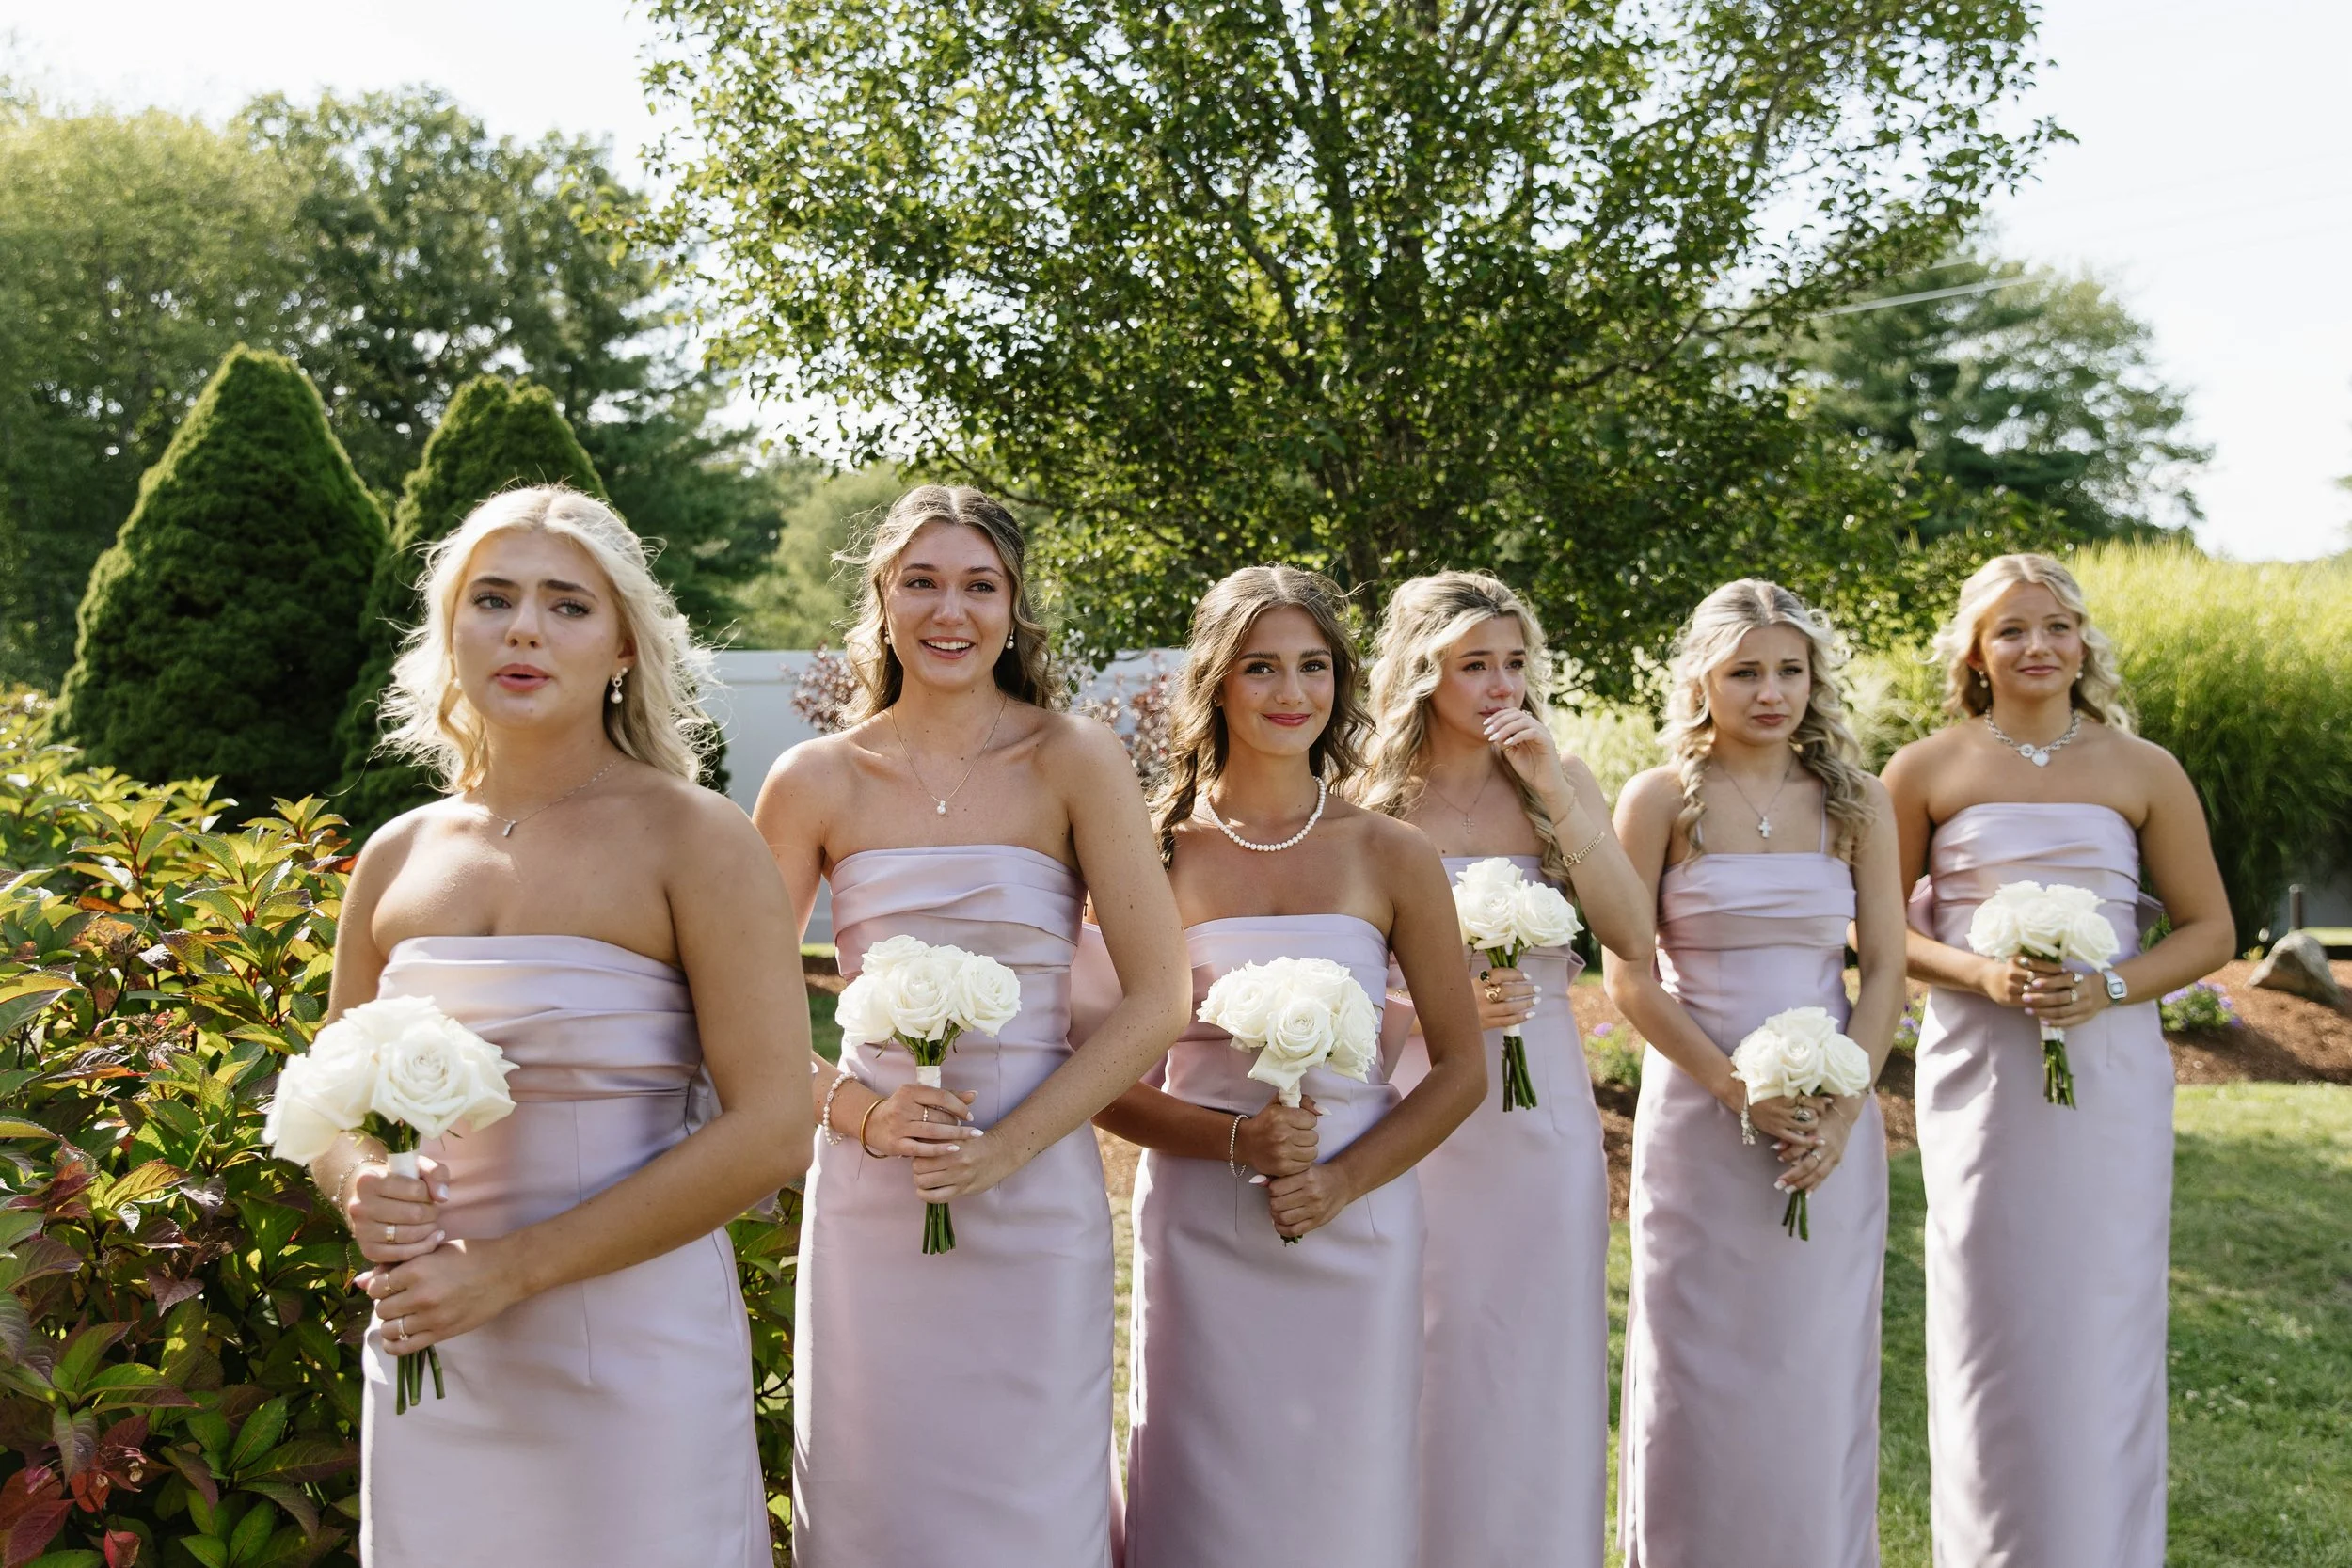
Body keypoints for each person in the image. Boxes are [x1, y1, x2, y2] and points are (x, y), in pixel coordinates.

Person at [314, 485, 814, 1567]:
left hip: (630, 1349)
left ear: (625, 640)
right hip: (429, 1341)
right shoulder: (397, 854)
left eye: (566, 604)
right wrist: (358, 1181)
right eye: (492, 599)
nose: (525, 627)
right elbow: (324, 1096)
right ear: (452, 632)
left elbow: (775, 1125)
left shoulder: (697, 838)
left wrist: (511, 1269)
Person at [755, 485, 1189, 1568]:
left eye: (978, 585)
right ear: (882, 599)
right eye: (922, 581)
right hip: (872, 1197)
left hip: (1035, 1185)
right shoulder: (814, 778)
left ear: (1013, 607)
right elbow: (741, 1010)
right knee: (873, 1488)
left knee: (1029, 1493)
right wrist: (859, 1115)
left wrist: (1006, 1145)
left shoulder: (1074, 758)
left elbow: (1157, 998)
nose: (950, 610)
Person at [1103, 565, 1486, 1568]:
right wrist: (1237, 1138)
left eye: (1312, 666)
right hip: (1199, 1212)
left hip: (1356, 1217)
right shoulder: (1151, 852)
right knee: (1206, 1477)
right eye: (1260, 665)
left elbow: (1459, 1069)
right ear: (1216, 682)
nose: (1290, 692)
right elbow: (1103, 1077)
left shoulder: (1391, 851)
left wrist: (1337, 1181)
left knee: (1344, 1483)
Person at [1883, 553, 2232, 1567]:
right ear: (1975, 652)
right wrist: (1981, 975)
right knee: (1990, 1313)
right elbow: (1878, 932)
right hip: (1981, 1073)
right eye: (2011, 629)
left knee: (2104, 1311)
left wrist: (2110, 986)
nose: (2037, 646)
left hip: (2111, 1072)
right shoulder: (1925, 768)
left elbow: (2210, 928)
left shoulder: (2143, 768)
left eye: (2056, 626)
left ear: (2082, 642)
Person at [1606, 580, 1905, 1568]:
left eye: (1788, 668)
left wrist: (1843, 1110)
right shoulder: (1658, 799)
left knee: (1812, 1361)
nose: (1770, 691)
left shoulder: (1855, 801)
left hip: (1831, 1122)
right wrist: (1736, 1088)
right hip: (1699, 1113)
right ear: (1701, 676)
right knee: (1699, 1360)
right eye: (1745, 671)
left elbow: (1886, 969)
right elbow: (1629, 979)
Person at [1358, 571, 1652, 1568]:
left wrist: (1554, 795)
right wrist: (1427, 1004)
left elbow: (1630, 933)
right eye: (1473, 662)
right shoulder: (1368, 793)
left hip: (1540, 1116)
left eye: (1514, 661)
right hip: (1414, 1102)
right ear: (1421, 670)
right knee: (1418, 1340)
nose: (1499, 683)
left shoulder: (1559, 774)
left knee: (1532, 1350)